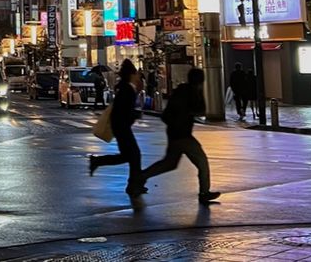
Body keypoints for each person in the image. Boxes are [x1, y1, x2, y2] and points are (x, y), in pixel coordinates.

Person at [140, 67, 220, 206]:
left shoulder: (180, 90)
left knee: (169, 163)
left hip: (174, 132)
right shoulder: (192, 93)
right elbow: (200, 109)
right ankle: (204, 192)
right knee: (202, 161)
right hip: (183, 134)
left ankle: (140, 177)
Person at [89, 58, 144, 197]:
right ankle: (134, 185)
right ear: (132, 74)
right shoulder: (127, 89)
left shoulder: (127, 88)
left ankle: (134, 184)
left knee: (129, 156)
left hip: (121, 127)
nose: (138, 75)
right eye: (136, 73)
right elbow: (122, 111)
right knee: (133, 155)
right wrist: (135, 115)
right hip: (122, 128)